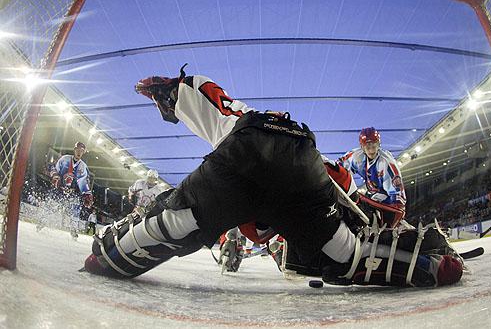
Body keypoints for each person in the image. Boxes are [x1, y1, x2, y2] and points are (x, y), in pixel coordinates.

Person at [83, 64, 463, 288]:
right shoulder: (309, 154)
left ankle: (107, 257)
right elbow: (339, 186)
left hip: (243, 160)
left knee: (176, 222)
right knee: (346, 254)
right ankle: (427, 262)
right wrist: (380, 220)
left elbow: (206, 93)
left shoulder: (241, 119)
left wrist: (168, 90)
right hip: (300, 167)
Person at [338, 127, 407, 228]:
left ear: (379, 144)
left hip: (386, 201)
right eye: (367, 145)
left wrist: (391, 221)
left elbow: (398, 195)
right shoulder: (355, 156)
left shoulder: (387, 163)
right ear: (362, 146)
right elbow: (339, 167)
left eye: (374, 144)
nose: (371, 149)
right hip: (370, 196)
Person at [44, 141, 93, 238]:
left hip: (72, 193)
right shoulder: (64, 159)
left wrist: (87, 194)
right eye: (78, 150)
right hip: (59, 189)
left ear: (83, 152)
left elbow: (83, 181)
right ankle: (43, 221)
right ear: (74, 150)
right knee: (51, 205)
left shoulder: (83, 166)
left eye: (82, 151)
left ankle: (73, 229)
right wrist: (54, 176)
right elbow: (54, 168)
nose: (79, 152)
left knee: (75, 209)